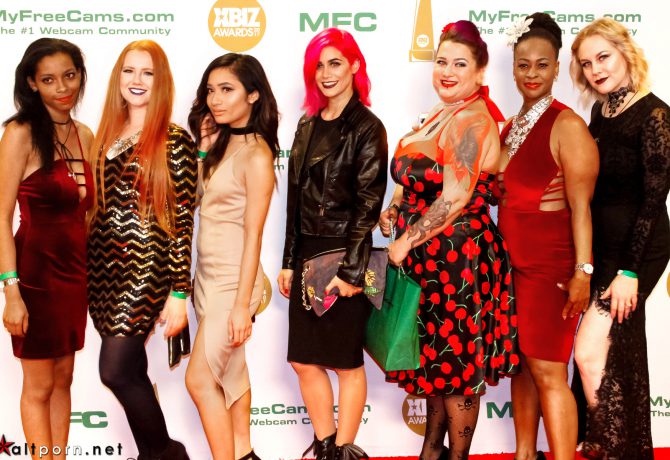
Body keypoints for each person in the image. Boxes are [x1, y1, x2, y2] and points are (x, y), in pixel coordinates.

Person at [380, 20, 518, 460]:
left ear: (480, 71)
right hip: (431, 259)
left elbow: (455, 197)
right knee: (436, 365)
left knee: (456, 368)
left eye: (460, 64)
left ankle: (455, 456)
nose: (447, 71)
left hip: (458, 260)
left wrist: (406, 241)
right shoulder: (442, 112)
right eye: (441, 62)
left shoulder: (473, 120)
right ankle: (431, 452)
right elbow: (419, 175)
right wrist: (396, 206)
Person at [277, 28, 387, 460]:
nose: (325, 73)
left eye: (335, 63)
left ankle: (344, 450)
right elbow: (295, 199)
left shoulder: (368, 127)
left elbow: (368, 205)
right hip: (307, 253)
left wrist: (352, 272)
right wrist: (289, 260)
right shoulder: (306, 125)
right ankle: (325, 445)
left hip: (344, 253)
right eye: (319, 65)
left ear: (355, 66)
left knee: (345, 361)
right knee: (303, 360)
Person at [87, 40, 197, 460]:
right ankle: (153, 453)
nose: (136, 80)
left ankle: (168, 453)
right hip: (102, 273)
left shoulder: (174, 140)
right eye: (129, 71)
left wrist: (179, 292)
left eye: (147, 72)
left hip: (145, 269)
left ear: (161, 81)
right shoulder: (106, 135)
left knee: (114, 371)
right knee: (131, 371)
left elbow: (182, 222)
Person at [497, 13, 599, 460]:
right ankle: (524, 454)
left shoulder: (568, 126)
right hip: (511, 267)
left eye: (542, 65)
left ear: (557, 67)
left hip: (549, 270)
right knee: (522, 366)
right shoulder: (509, 126)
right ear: (513, 68)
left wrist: (583, 271)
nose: (532, 74)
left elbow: (582, 210)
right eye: (523, 65)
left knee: (549, 372)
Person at [570, 18, 670, 459]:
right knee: (614, 356)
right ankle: (612, 445)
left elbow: (653, 200)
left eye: (603, 57)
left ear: (625, 53)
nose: (595, 70)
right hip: (605, 249)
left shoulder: (656, 115)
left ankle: (614, 448)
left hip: (639, 250)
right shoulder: (600, 113)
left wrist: (630, 272)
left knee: (590, 352)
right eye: (586, 63)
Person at [0, 38, 92, 460]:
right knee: (38, 386)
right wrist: (11, 290)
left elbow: (87, 216)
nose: (62, 87)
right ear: (32, 84)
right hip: (34, 276)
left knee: (63, 380)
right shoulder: (19, 134)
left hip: (74, 277)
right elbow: (1, 217)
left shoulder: (84, 135)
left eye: (69, 76)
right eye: (49, 79)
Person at [185, 53, 279, 460]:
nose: (215, 100)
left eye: (227, 90)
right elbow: (198, 201)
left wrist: (242, 306)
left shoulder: (257, 155)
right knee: (232, 374)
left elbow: (254, 234)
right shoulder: (222, 143)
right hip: (207, 278)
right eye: (211, 90)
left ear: (253, 95)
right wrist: (204, 150)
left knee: (199, 381)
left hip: (233, 282)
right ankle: (243, 452)